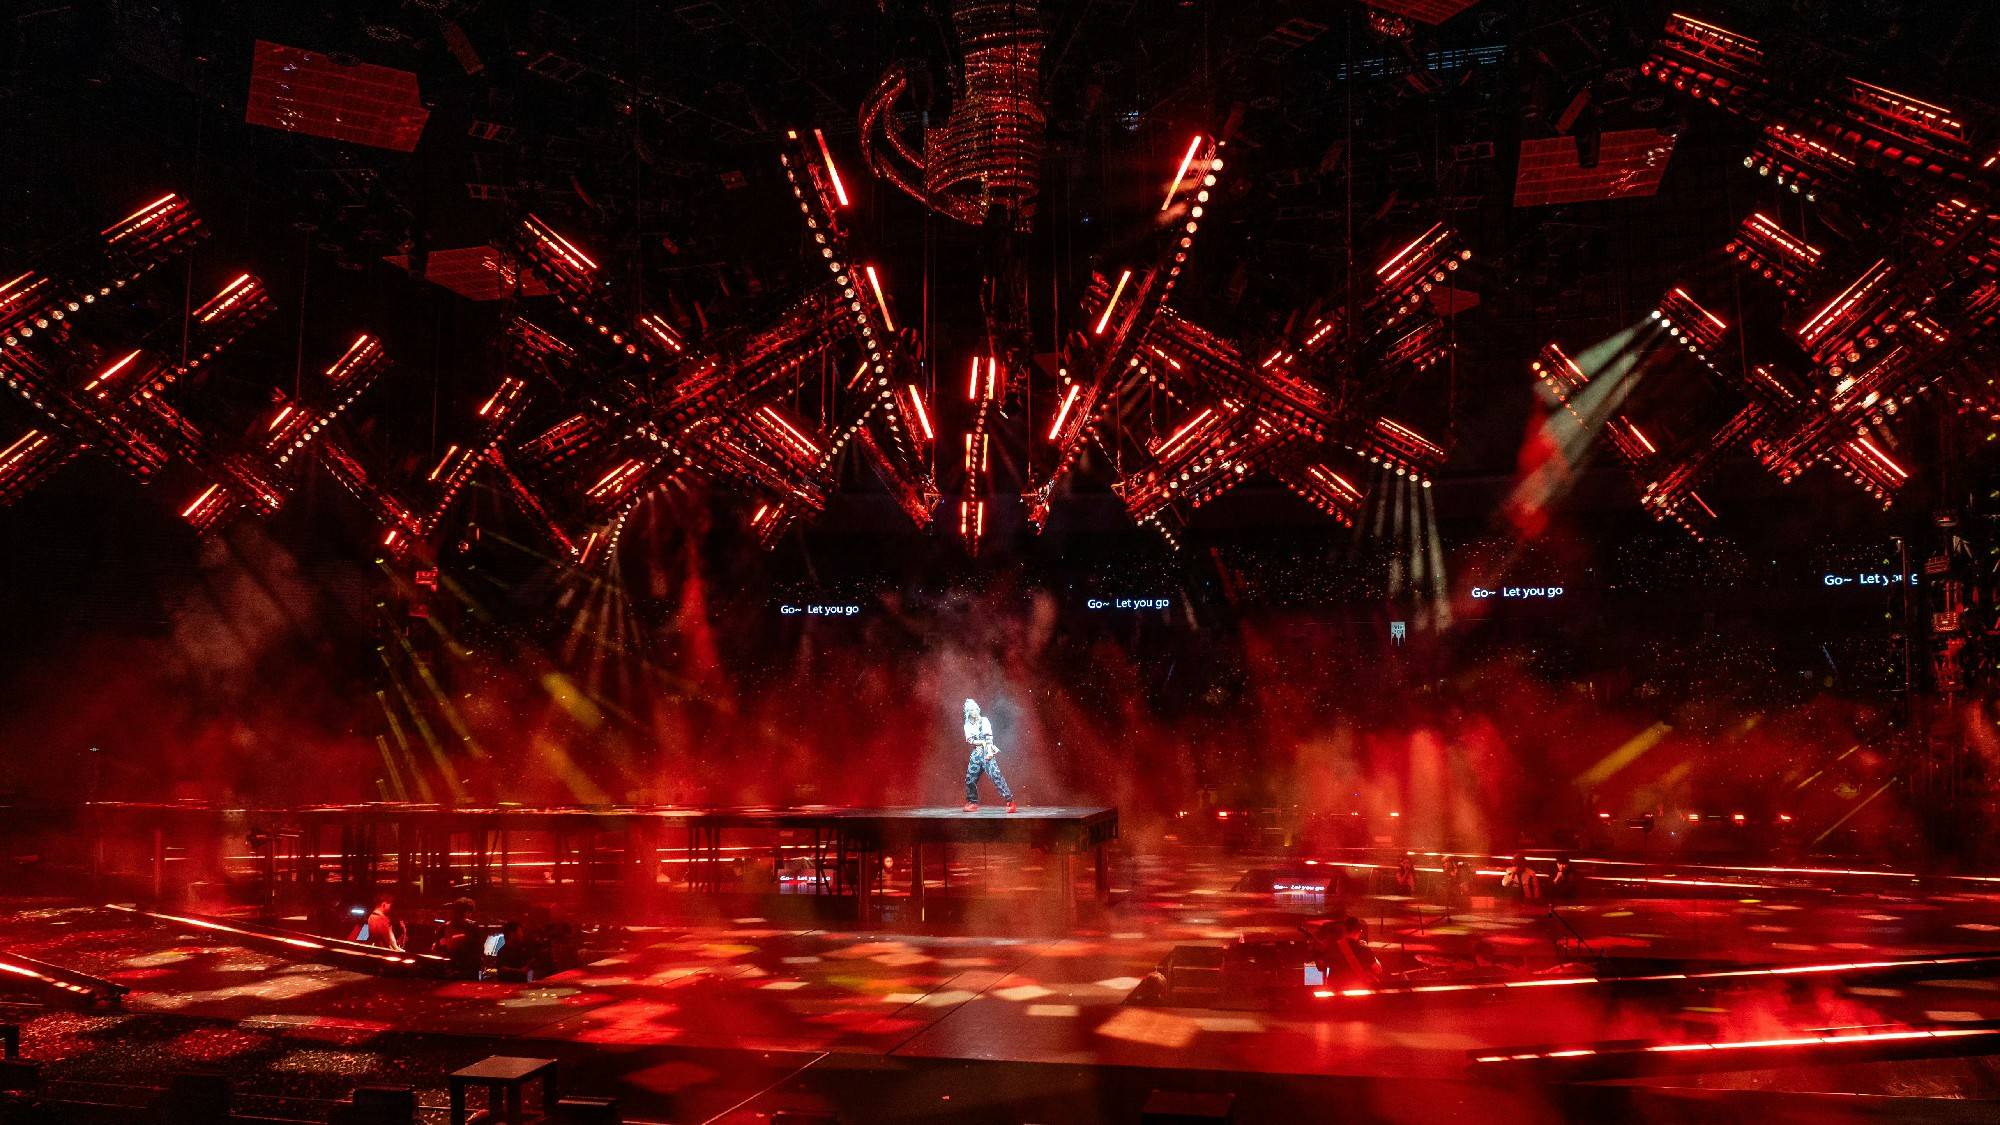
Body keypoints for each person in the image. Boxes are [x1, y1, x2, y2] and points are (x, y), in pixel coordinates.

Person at [961, 698, 1017, 813]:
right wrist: (980, 742)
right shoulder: (967, 725)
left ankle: (1010, 801)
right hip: (977, 753)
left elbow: (989, 737)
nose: (974, 712)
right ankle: (972, 802)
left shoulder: (984, 721)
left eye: (975, 709)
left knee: (996, 776)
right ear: (968, 713)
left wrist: (989, 751)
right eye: (971, 710)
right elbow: (970, 740)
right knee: (970, 779)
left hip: (987, 750)